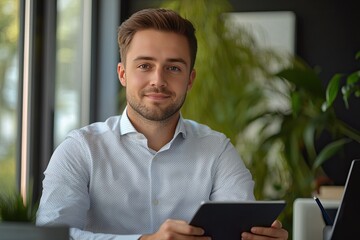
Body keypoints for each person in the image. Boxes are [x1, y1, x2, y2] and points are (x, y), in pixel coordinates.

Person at [36, 8, 288, 240]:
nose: (158, 80)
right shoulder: (80, 149)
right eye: (145, 65)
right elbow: (51, 236)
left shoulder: (217, 150)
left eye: (174, 68)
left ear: (190, 80)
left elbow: (237, 230)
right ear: (122, 74)